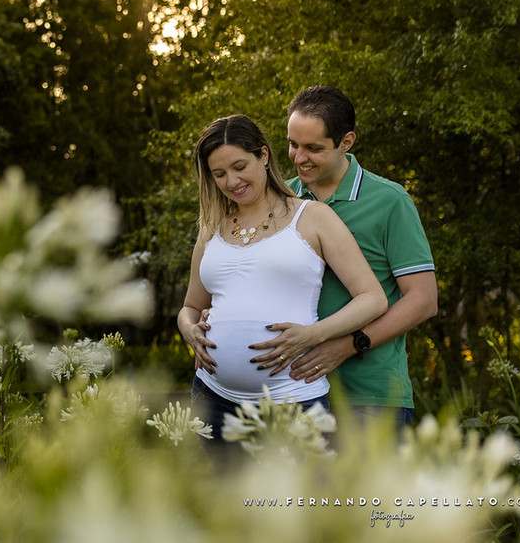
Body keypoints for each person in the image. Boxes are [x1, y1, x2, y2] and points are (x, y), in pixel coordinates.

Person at [176, 115, 387, 445]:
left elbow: (373, 298)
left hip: (293, 400)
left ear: (263, 155)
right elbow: (191, 307)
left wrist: (312, 335)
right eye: (219, 174)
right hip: (212, 397)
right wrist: (189, 330)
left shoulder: (312, 217)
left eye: (239, 166)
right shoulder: (211, 228)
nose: (232, 181)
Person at [280, 86, 437, 427]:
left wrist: (348, 345)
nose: (299, 157)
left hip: (371, 397)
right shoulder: (280, 200)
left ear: (346, 142)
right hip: (292, 391)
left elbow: (423, 300)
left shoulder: (390, 200)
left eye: (313, 148)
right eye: (293, 144)